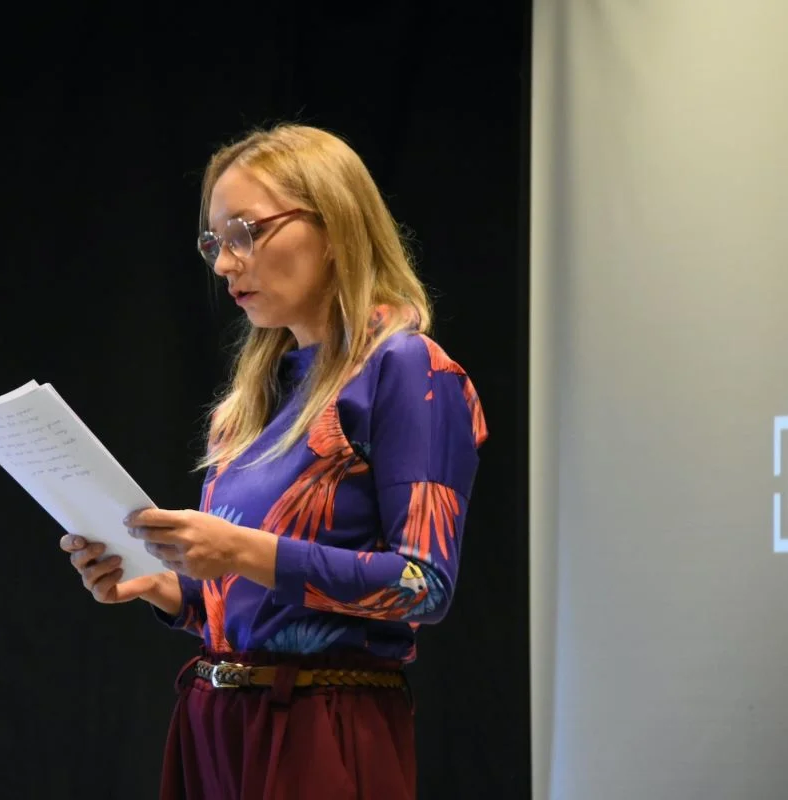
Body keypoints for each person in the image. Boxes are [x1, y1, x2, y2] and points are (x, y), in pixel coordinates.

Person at [59, 124, 487, 800]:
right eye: (213, 242)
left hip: (324, 723)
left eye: (245, 233)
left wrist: (237, 549)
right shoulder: (252, 400)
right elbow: (252, 604)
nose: (224, 264)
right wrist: (161, 585)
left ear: (334, 226)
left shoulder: (405, 368)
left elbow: (421, 585)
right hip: (216, 719)